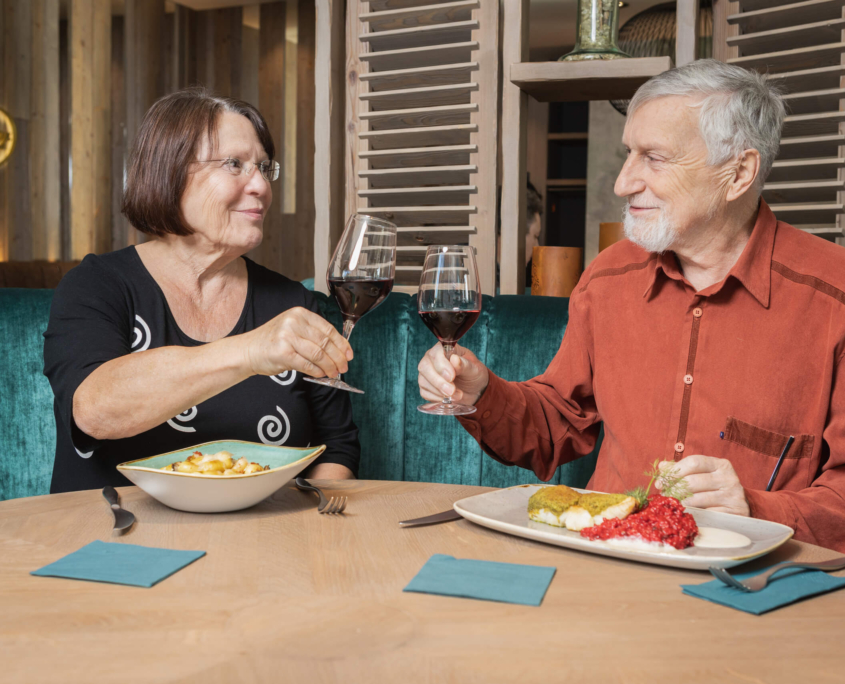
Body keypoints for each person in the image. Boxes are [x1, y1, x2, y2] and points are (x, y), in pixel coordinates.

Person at [417, 59, 845, 551]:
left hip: (750, 581)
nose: (622, 183)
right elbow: (558, 423)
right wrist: (481, 393)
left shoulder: (833, 297)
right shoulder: (608, 277)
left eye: (654, 158)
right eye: (629, 154)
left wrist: (755, 508)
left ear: (739, 173)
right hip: (605, 563)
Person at [44, 88, 359, 493]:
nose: (261, 186)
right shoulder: (97, 285)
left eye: (264, 167)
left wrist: (305, 522)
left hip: (262, 532)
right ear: (170, 172)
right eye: (234, 164)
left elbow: (337, 449)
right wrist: (250, 351)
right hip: (111, 529)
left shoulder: (291, 303)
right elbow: (94, 410)